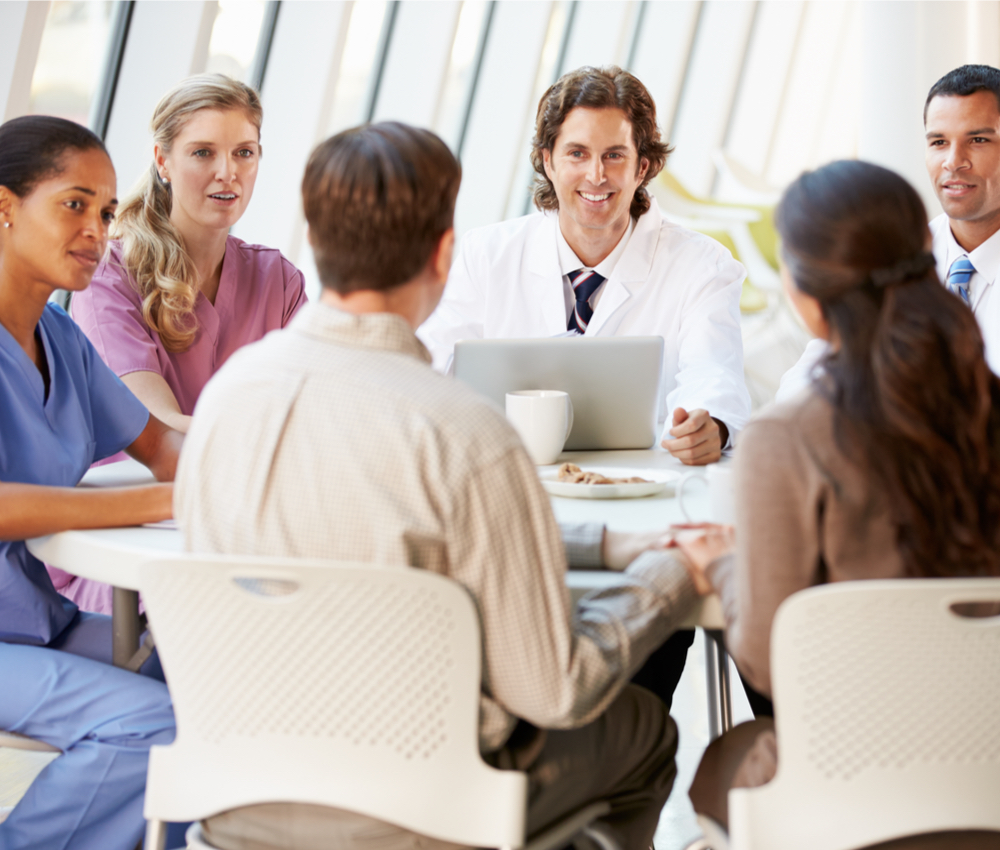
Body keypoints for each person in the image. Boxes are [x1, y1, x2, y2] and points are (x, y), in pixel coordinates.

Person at [175, 121, 709, 850]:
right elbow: (554, 690)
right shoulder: (464, 433)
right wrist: (670, 575)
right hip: (423, 811)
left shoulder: (228, 400)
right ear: (442, 253)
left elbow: (384, 533)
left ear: (316, 240)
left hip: (240, 798)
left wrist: (603, 544)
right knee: (643, 730)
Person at [677, 160, 1000, 832]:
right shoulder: (983, 403)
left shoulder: (789, 437)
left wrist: (725, 566)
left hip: (851, 777)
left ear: (804, 291)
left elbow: (766, 657)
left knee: (721, 763)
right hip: (987, 768)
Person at [52, 73, 307, 614]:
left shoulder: (278, 280)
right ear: (163, 161)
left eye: (244, 152)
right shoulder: (110, 277)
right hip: (133, 538)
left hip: (242, 527)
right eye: (203, 152)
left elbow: (317, 413)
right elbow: (161, 424)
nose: (227, 172)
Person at [0, 115, 186, 850]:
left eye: (107, 212)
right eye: (74, 205)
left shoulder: (60, 336)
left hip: (33, 624)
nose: (96, 231)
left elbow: (162, 445)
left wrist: (262, 466)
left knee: (218, 679)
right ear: (4, 207)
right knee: (151, 726)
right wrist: (163, 500)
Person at [417, 65, 751, 466]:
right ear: (549, 162)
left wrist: (710, 425)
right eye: (577, 153)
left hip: (644, 479)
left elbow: (714, 373)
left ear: (642, 167)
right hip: (511, 470)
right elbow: (432, 368)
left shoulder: (703, 265)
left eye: (614, 156)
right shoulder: (486, 255)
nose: (596, 175)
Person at [778, 63, 1000, 400]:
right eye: (939, 142)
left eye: (979, 140)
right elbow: (809, 377)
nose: (954, 161)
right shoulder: (895, 251)